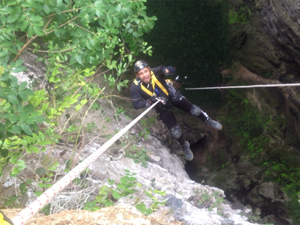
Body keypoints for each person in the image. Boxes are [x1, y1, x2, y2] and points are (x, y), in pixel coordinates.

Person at [130, 60, 222, 161]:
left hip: (171, 95)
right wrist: (149, 102)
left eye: (145, 71)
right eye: (141, 73)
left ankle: (208, 120)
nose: (144, 75)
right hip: (161, 105)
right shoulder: (135, 87)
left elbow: (173, 70)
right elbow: (136, 104)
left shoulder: (156, 72)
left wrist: (164, 70)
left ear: (149, 69)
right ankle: (184, 145)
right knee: (175, 132)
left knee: (194, 110)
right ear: (137, 75)